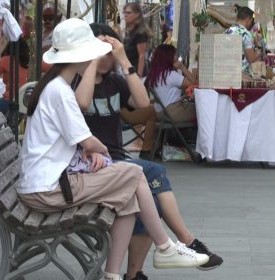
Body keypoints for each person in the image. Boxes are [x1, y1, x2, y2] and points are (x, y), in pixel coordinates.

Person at [17, 18, 209, 280]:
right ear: (83, 56)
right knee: (134, 174)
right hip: (48, 189)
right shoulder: (60, 91)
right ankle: (165, 246)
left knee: (128, 197)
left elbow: (91, 135)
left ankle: (113, 275)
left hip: (48, 182)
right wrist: (97, 150)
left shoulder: (55, 86)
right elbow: (90, 141)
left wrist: (93, 148)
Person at [73, 23, 223, 280]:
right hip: (92, 166)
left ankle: (139, 271)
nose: (105, 57)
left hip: (115, 161)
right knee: (152, 174)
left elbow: (143, 104)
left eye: (110, 51)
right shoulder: (75, 81)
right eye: (100, 51)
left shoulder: (115, 82)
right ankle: (183, 242)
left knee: (151, 188)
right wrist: (91, 62)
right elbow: (82, 102)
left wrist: (123, 60)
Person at [146, 44, 197, 123]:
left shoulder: (155, 74)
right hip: (172, 113)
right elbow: (195, 83)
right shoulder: (171, 75)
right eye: (175, 54)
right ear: (169, 57)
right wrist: (182, 67)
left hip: (159, 112)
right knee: (201, 109)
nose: (177, 56)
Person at [225, 6, 261, 74]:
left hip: (228, 73)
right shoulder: (245, 34)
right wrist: (260, 49)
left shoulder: (227, 31)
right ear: (248, 19)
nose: (251, 23)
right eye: (251, 20)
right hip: (241, 75)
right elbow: (251, 58)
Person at [123, 2, 151, 78]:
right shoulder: (130, 31)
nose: (125, 15)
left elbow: (142, 55)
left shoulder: (140, 33)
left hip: (136, 73)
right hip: (129, 71)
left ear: (137, 14)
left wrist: (139, 75)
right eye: (125, 12)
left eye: (129, 13)